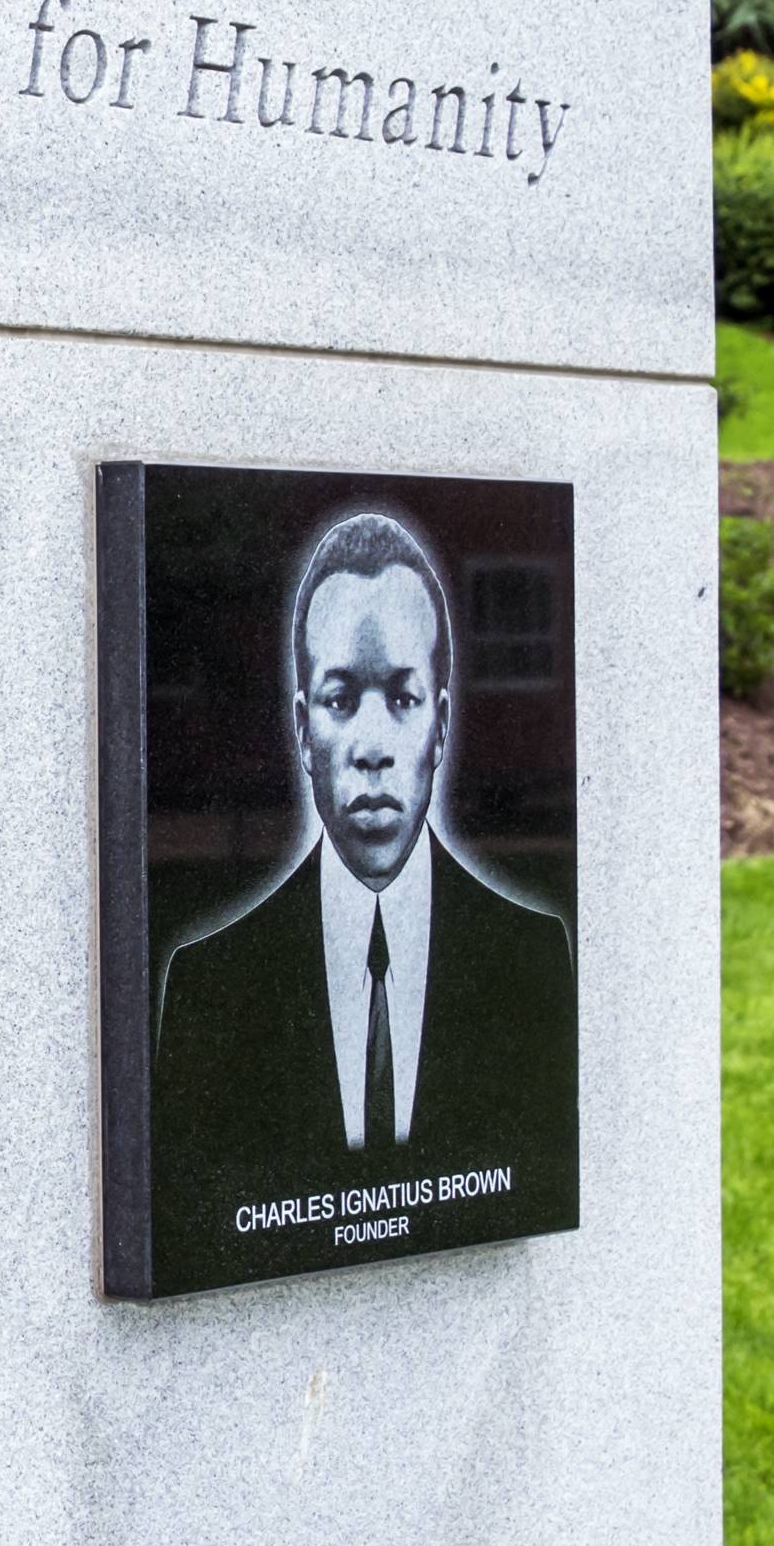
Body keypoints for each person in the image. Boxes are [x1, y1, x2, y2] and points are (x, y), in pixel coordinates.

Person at [147, 508, 577, 1279]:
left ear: (441, 727)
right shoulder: (210, 987)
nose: (374, 747)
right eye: (343, 698)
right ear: (303, 728)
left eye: (404, 698)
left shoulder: (531, 956)